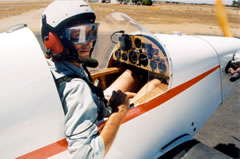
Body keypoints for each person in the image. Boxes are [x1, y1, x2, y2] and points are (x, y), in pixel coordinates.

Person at [41, 0, 131, 158]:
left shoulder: (50, 66)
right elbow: (86, 155)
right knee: (151, 82)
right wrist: (121, 111)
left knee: (129, 75)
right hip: (97, 113)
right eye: (79, 35)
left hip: (95, 107)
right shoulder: (77, 90)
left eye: (92, 32)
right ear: (55, 40)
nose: (89, 41)